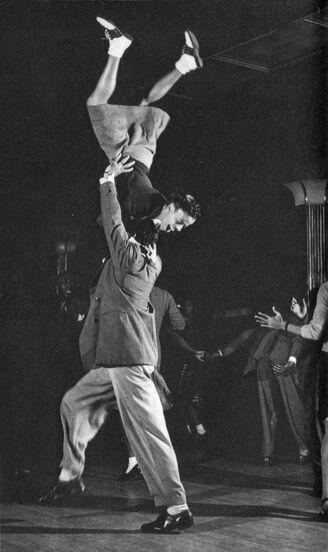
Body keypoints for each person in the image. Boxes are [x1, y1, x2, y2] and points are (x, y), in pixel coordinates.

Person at [39, 155, 194, 534]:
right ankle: (70, 478)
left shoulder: (131, 259)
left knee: (150, 436)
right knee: (73, 403)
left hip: (130, 360)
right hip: (115, 359)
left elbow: (114, 222)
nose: (178, 230)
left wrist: (108, 180)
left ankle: (176, 507)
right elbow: (128, 228)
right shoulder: (138, 258)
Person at [87, 16, 202, 232]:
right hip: (128, 155)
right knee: (95, 105)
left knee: (143, 101)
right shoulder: (148, 206)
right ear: (172, 207)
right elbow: (118, 222)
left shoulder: (156, 208)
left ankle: (185, 64)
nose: (177, 230)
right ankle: (117, 47)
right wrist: (111, 176)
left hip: (143, 156)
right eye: (180, 222)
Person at [255, 289, 328, 520]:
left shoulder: (326, 288)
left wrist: (286, 324)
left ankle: (326, 499)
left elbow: (314, 332)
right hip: (270, 370)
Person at [120, 285, 206, 480]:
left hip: (128, 357)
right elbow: (180, 325)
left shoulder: (125, 288)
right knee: (151, 410)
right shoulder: (163, 295)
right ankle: (152, 461)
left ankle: (136, 460)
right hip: (152, 360)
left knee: (129, 410)